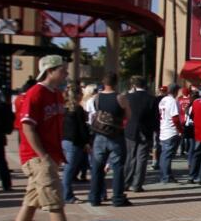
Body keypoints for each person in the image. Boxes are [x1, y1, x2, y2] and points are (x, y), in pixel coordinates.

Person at [5, 55, 96, 221]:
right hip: (38, 158)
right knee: (55, 202)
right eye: (62, 70)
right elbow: (27, 126)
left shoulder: (56, 94)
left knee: (30, 204)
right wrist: (43, 156)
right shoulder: (36, 93)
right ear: (50, 70)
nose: (65, 73)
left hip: (48, 156)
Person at [87, 72, 131, 207]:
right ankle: (117, 198)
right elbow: (128, 115)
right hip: (115, 136)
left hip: (99, 135)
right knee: (117, 167)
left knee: (97, 168)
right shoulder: (120, 98)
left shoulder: (97, 97)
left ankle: (95, 197)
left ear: (103, 82)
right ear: (116, 82)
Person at [123, 76, 158, 193]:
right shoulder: (152, 99)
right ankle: (137, 184)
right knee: (142, 159)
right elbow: (155, 118)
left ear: (134, 85)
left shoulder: (128, 97)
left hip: (130, 130)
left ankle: (126, 182)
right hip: (146, 131)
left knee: (130, 157)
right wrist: (156, 131)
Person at [61, 88, 91, 204]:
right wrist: (86, 142)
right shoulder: (77, 109)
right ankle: (67, 195)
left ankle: (66, 193)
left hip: (64, 140)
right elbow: (82, 128)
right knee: (69, 169)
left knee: (68, 169)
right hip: (74, 142)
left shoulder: (64, 108)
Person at [157, 84, 182, 183]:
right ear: (175, 91)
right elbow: (175, 117)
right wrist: (180, 130)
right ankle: (166, 176)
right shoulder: (172, 101)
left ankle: (165, 175)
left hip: (164, 128)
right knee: (167, 155)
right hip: (170, 131)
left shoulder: (163, 100)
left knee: (164, 154)